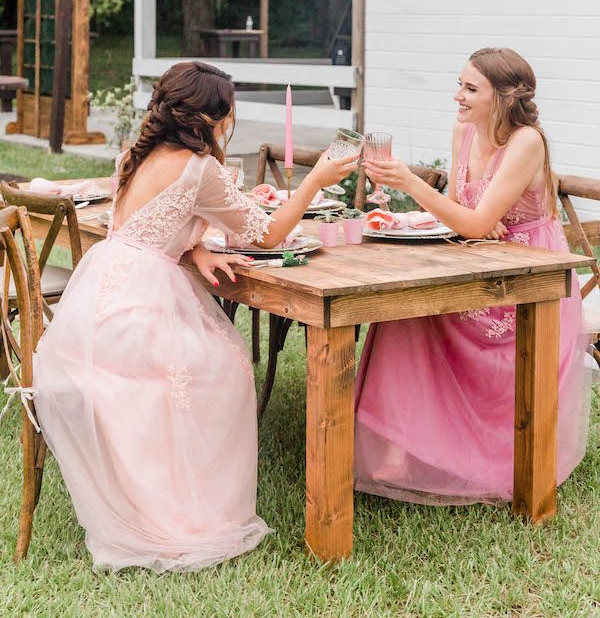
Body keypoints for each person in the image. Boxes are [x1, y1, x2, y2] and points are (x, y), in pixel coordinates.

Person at [33, 61, 356, 571]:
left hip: (97, 298)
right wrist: (314, 180)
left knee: (208, 361)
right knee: (224, 367)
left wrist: (193, 246)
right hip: (139, 303)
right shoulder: (201, 168)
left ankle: (164, 482)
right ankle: (181, 505)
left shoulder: (134, 156)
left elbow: (151, 222)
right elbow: (268, 236)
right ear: (213, 116)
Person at [355, 47, 589, 504]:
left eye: (470, 88)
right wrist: (477, 220)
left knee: (418, 315)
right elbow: (469, 213)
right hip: (479, 261)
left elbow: (476, 221)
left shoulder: (526, 141)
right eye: (459, 84)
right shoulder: (463, 130)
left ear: (502, 98)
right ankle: (400, 447)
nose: (457, 97)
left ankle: (468, 454)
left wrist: (412, 185)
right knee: (399, 310)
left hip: (529, 278)